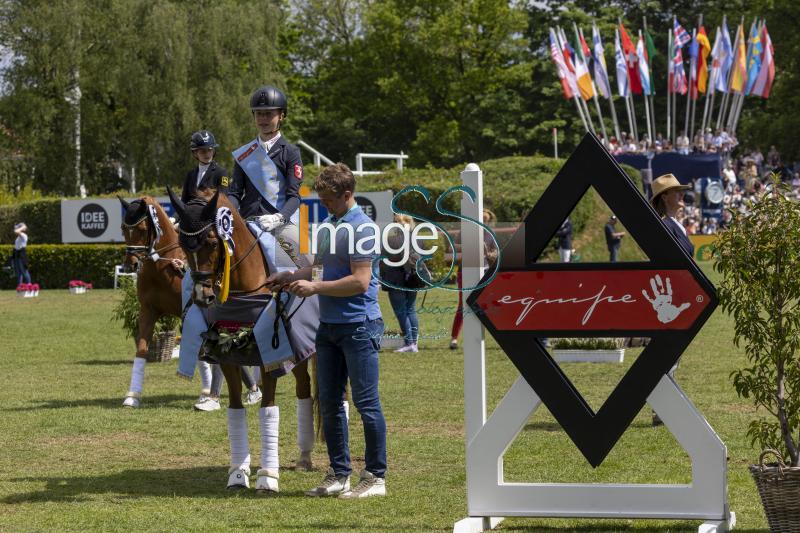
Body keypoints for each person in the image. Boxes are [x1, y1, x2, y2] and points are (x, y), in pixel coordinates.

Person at [267, 163, 387, 498]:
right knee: (330, 401)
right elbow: (317, 268)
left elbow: (360, 282)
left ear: (347, 195)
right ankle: (338, 474)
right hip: (329, 326)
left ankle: (376, 476)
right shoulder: (329, 226)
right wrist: (289, 275)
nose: (326, 206)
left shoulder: (362, 228)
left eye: (330, 200)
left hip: (360, 325)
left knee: (366, 403)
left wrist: (315, 288)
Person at [449, 208, 497, 350]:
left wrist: (488, 253)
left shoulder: (490, 233)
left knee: (485, 304)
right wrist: (469, 247)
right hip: (465, 271)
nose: (483, 223)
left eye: (485, 221)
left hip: (485, 271)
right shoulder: (465, 231)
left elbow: (495, 252)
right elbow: (454, 247)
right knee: (462, 304)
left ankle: (491, 336)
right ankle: (454, 339)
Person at [379, 214, 424, 353]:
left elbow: (383, 261)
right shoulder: (418, 239)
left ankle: (409, 342)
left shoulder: (391, 240)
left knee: (401, 312)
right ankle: (414, 343)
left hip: (395, 279)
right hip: (413, 279)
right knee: (410, 310)